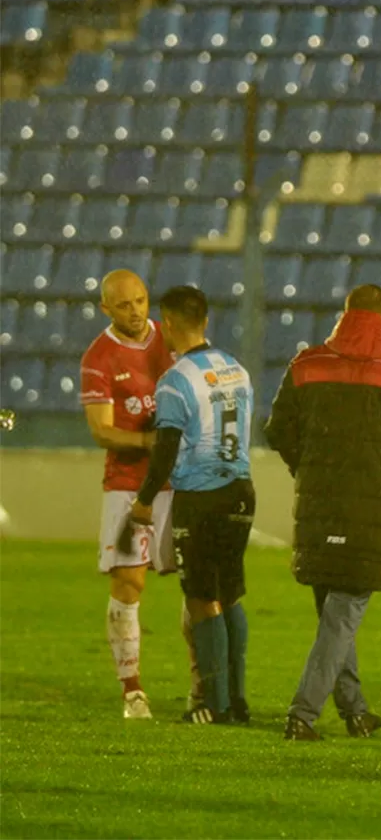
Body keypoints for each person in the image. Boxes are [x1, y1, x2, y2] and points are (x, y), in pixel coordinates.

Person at [266, 285, 381, 741]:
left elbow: (278, 430)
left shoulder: (306, 366)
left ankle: (356, 710)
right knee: (343, 610)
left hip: (317, 504)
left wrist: (309, 469)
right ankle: (303, 714)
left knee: (334, 609)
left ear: (345, 315)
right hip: (374, 510)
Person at [125, 286, 257, 725]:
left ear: (171, 323)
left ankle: (215, 705)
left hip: (201, 496)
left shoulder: (176, 380)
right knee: (231, 595)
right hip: (241, 489)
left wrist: (143, 500)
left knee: (202, 599)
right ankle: (237, 701)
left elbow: (165, 447)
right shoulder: (236, 368)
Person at [80, 269, 199, 719]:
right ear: (106, 308)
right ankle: (132, 690)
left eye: (141, 300)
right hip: (129, 486)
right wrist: (156, 442)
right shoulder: (99, 357)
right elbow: (102, 431)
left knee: (199, 585)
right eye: (124, 305)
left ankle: (201, 687)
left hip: (183, 481)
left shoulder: (171, 339)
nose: (135, 311)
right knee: (129, 582)